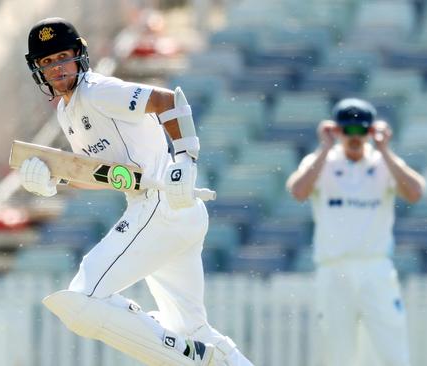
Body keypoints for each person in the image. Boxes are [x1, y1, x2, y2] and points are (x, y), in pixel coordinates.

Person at [20, 17, 253, 366]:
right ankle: (198, 351)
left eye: (62, 57)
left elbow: (168, 101)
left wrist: (186, 159)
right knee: (190, 329)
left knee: (82, 301)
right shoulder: (68, 112)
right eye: (47, 62)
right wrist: (54, 181)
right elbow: (102, 175)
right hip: (171, 212)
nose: (56, 68)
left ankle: (192, 358)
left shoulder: (98, 91)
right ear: (39, 70)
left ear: (79, 55)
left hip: (161, 205)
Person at [286, 98, 425, 366]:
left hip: (375, 269)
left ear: (370, 132)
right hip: (333, 270)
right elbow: (298, 191)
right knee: (338, 355)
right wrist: (325, 148)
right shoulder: (322, 162)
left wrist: (385, 150)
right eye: (348, 131)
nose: (354, 138)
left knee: (394, 352)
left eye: (360, 131)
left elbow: (415, 192)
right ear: (337, 131)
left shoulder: (384, 163)